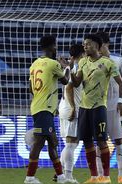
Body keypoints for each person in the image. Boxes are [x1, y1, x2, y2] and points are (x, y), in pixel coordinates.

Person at [71, 34, 122, 184]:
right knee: (87, 142)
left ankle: (106, 177)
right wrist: (70, 69)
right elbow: (76, 83)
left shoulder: (107, 63)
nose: (85, 46)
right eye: (84, 44)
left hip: (99, 107)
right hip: (84, 108)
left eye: (87, 44)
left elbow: (121, 83)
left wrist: (120, 101)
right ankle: (94, 177)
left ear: (96, 45)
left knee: (101, 142)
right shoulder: (82, 62)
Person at [24, 35, 70, 184]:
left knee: (52, 141)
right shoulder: (53, 64)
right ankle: (30, 177)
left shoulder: (34, 64)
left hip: (39, 106)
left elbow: (31, 89)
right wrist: (66, 67)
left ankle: (61, 177)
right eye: (55, 45)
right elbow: (66, 81)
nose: (56, 48)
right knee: (39, 142)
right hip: (45, 108)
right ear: (51, 47)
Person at [96, 31, 122, 184]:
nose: (98, 48)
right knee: (100, 142)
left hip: (115, 107)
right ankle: (101, 177)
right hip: (98, 107)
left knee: (119, 141)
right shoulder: (91, 61)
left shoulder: (119, 60)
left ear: (106, 44)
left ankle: (121, 176)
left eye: (100, 45)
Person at [57, 44, 85, 183]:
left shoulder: (69, 66)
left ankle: (61, 174)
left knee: (72, 144)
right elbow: (68, 88)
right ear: (82, 53)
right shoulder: (77, 66)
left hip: (64, 107)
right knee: (71, 144)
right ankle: (67, 176)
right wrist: (74, 107)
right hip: (71, 107)